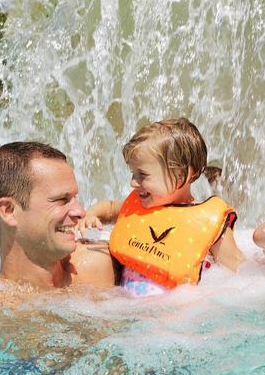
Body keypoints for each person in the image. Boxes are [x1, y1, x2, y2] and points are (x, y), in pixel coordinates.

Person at [78, 117, 245, 296]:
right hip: (125, 305)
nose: (133, 183)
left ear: (180, 176)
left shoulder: (208, 223)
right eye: (133, 173)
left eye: (142, 175)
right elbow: (110, 209)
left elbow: (237, 271)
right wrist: (92, 214)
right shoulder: (142, 207)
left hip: (176, 308)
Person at [0, 141, 117, 290]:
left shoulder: (96, 262)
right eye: (61, 199)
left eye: (75, 198)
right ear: (9, 211)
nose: (80, 211)